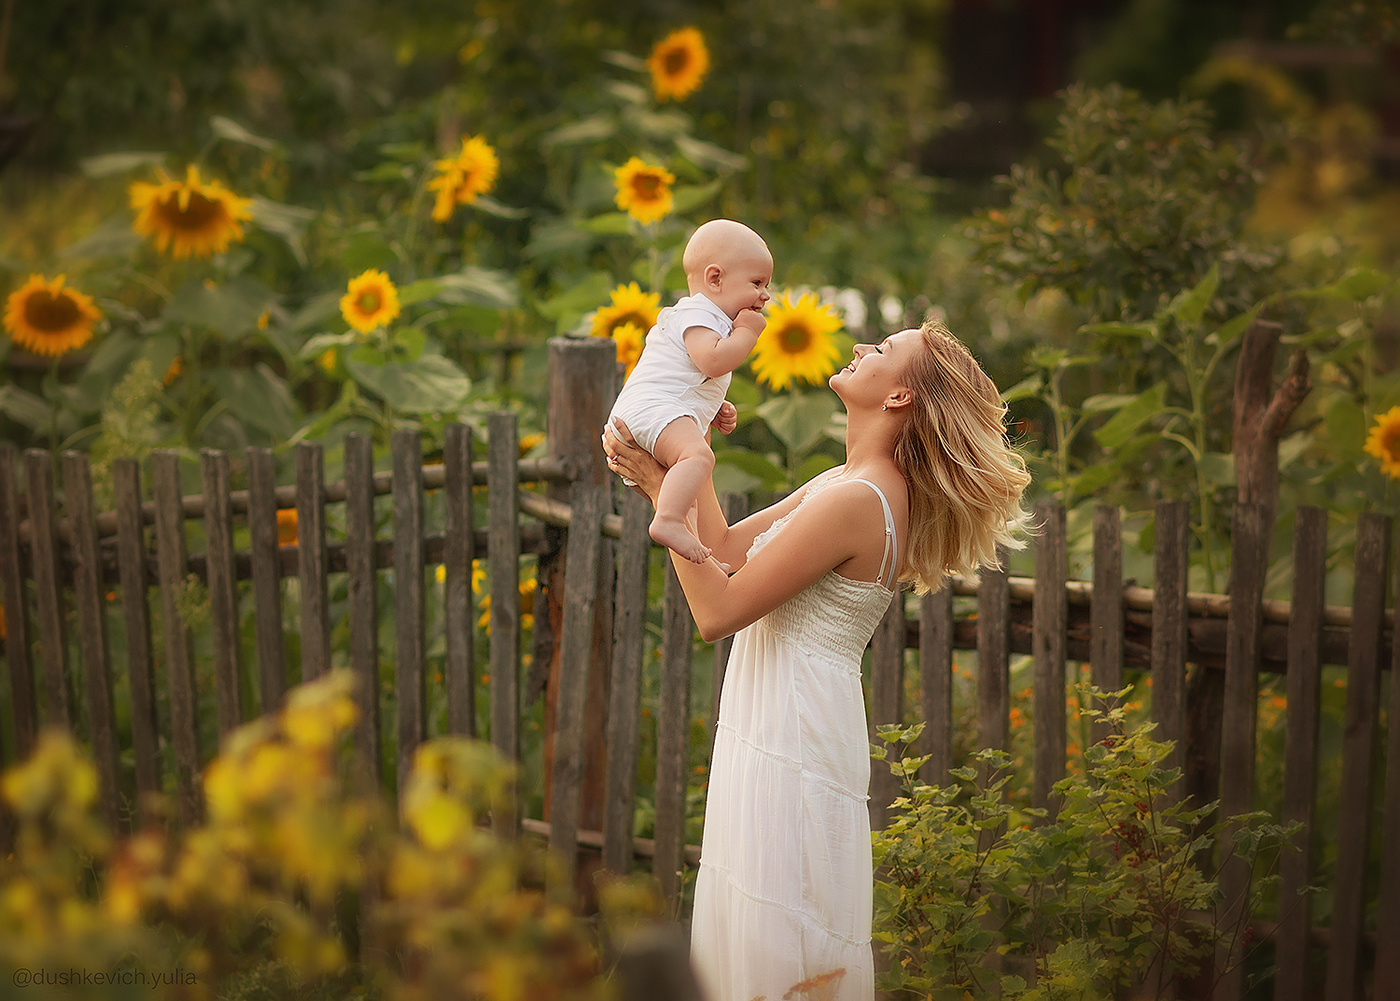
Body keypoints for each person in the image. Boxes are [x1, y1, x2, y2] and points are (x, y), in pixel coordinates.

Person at [602, 319, 1034, 1001]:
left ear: (899, 398)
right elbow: (721, 545)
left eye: (883, 351)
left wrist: (663, 495)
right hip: (780, 713)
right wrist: (692, 448)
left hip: (794, 729)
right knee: (761, 921)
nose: (863, 349)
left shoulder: (862, 498)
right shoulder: (848, 478)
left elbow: (717, 611)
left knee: (781, 925)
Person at [606, 218, 773, 565]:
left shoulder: (708, 320)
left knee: (691, 488)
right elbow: (713, 362)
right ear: (715, 279)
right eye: (757, 283)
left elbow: (692, 376)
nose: (765, 294)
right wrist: (748, 334)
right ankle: (667, 520)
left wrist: (714, 406)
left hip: (658, 407)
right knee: (698, 458)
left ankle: (707, 557)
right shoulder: (699, 313)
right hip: (653, 407)